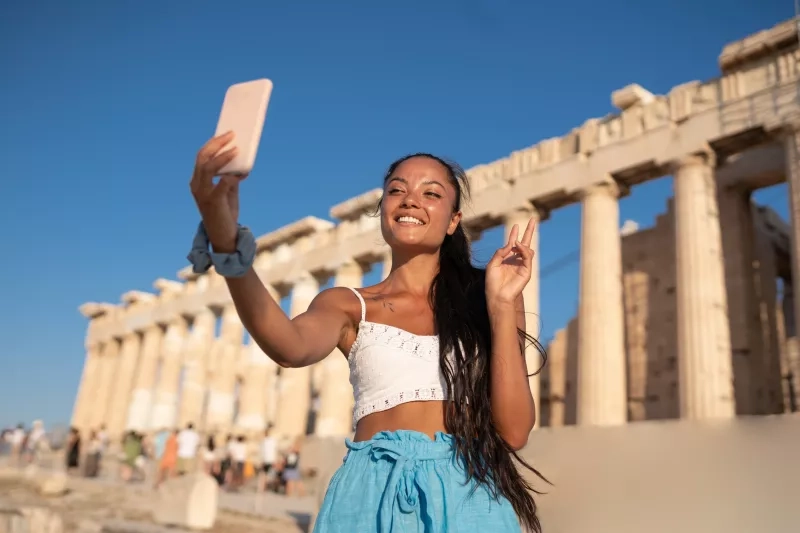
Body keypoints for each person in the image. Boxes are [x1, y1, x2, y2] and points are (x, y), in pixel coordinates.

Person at [188, 133, 547, 532]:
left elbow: (514, 433)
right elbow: (288, 347)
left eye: (431, 194)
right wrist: (226, 247)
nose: (410, 200)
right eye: (396, 190)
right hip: (369, 496)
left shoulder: (491, 299)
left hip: (469, 495)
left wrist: (500, 306)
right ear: (382, 211)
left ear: (454, 221)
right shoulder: (347, 303)